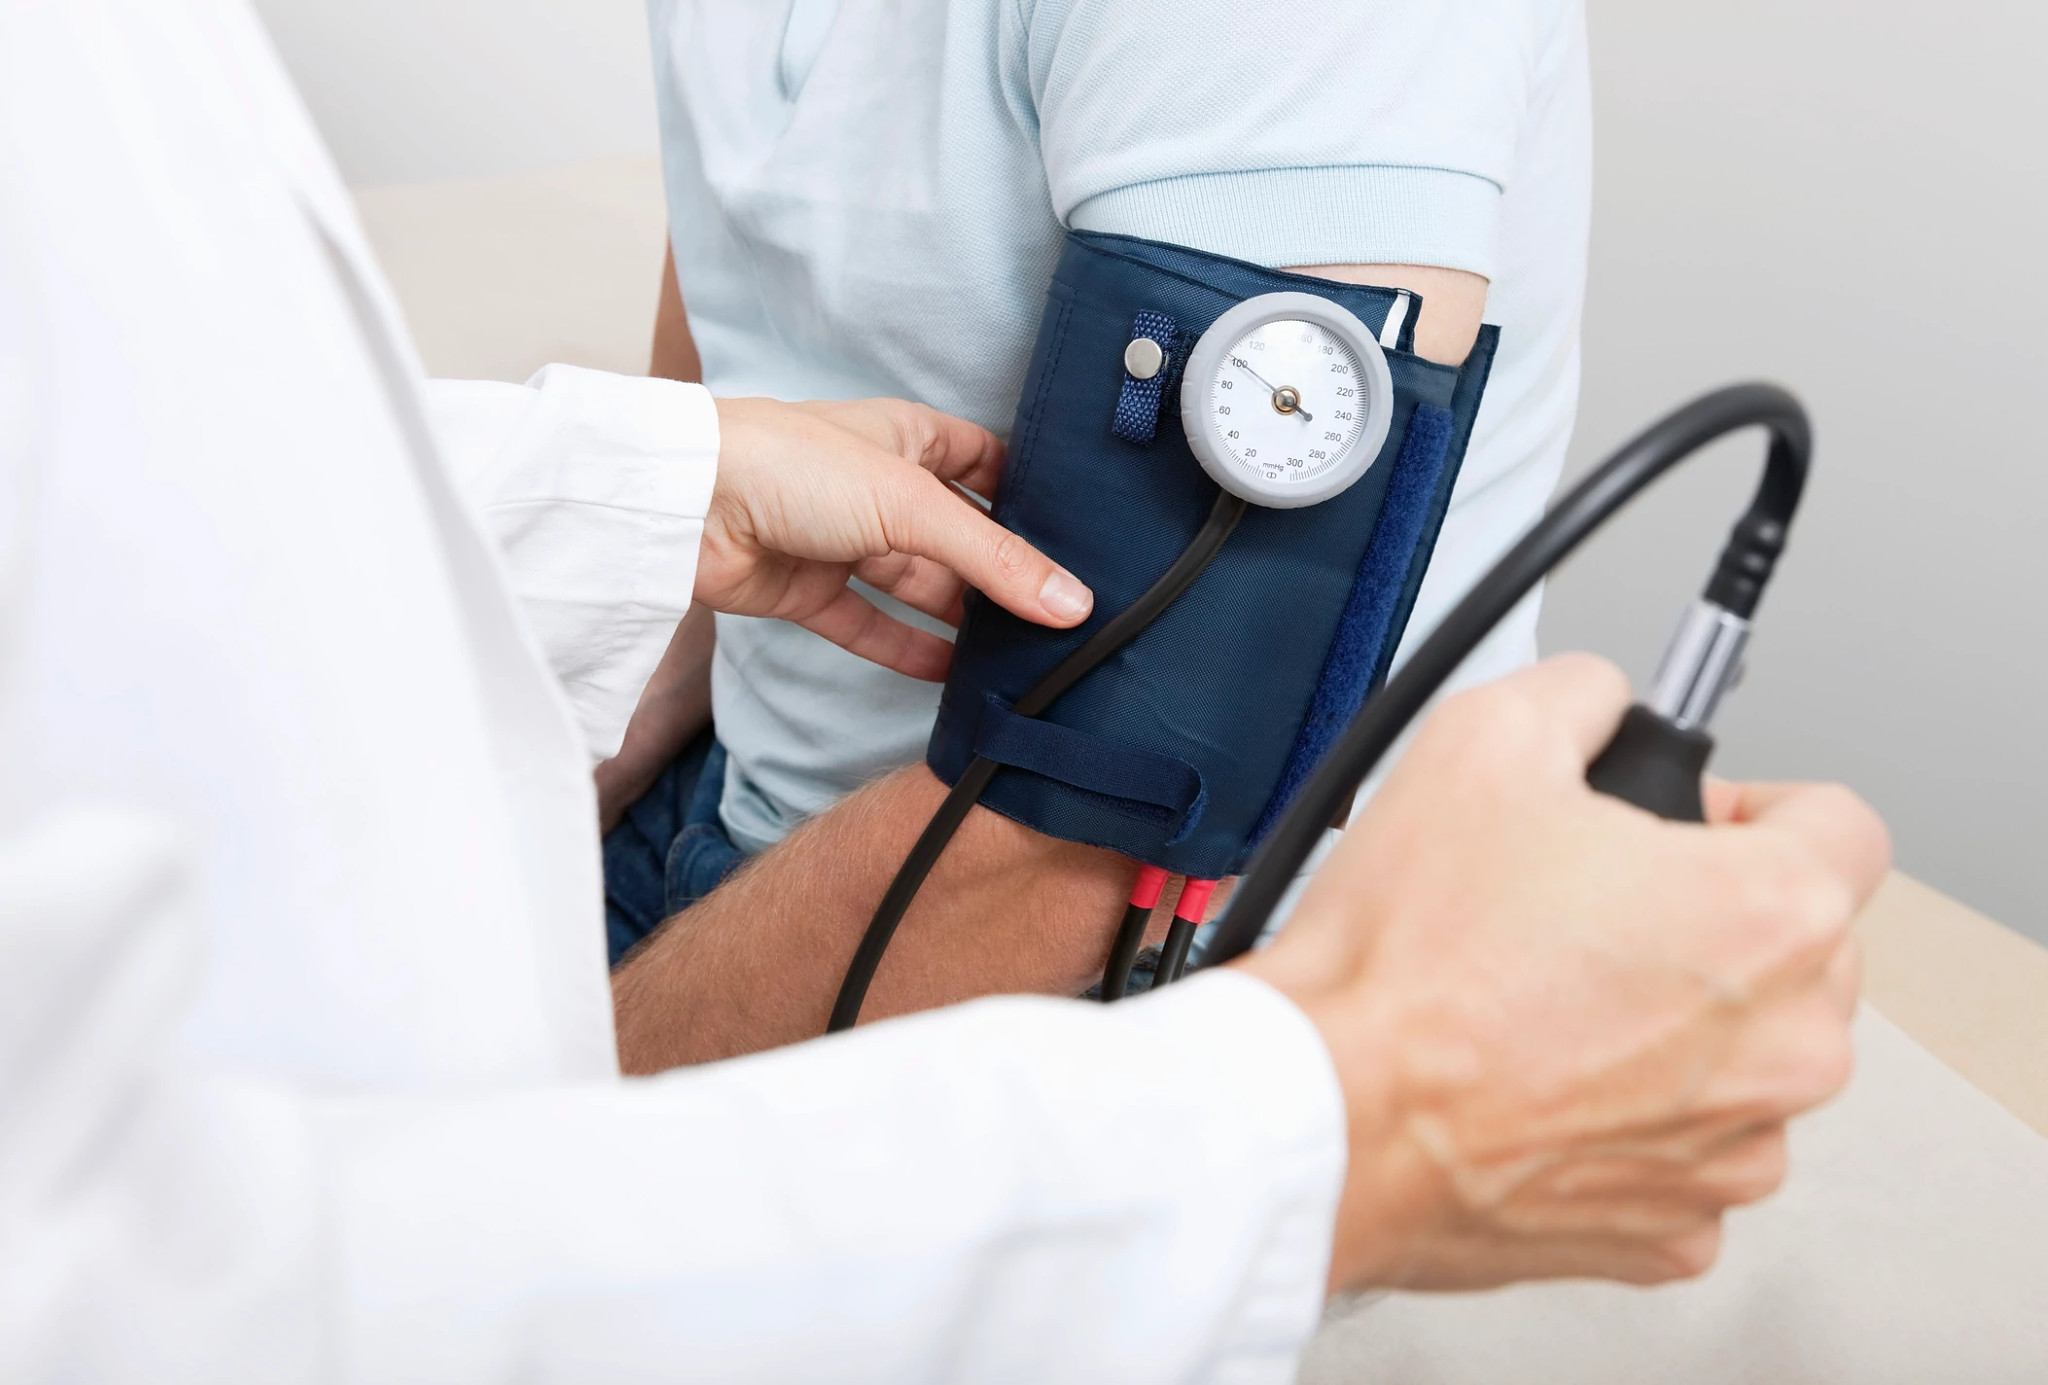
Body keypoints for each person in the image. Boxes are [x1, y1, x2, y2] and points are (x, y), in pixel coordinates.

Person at [1, 3, 1893, 1379]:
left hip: (1072, 964)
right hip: (729, 854)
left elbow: (1112, 819)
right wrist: (549, 795)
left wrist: (565, 1117)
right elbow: (745, 302)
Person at [608, 0, 1590, 975]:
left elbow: (1103, 830)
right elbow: (738, 257)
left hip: (1151, 950)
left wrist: (579, 1103)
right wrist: (618, 718)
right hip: (735, 808)